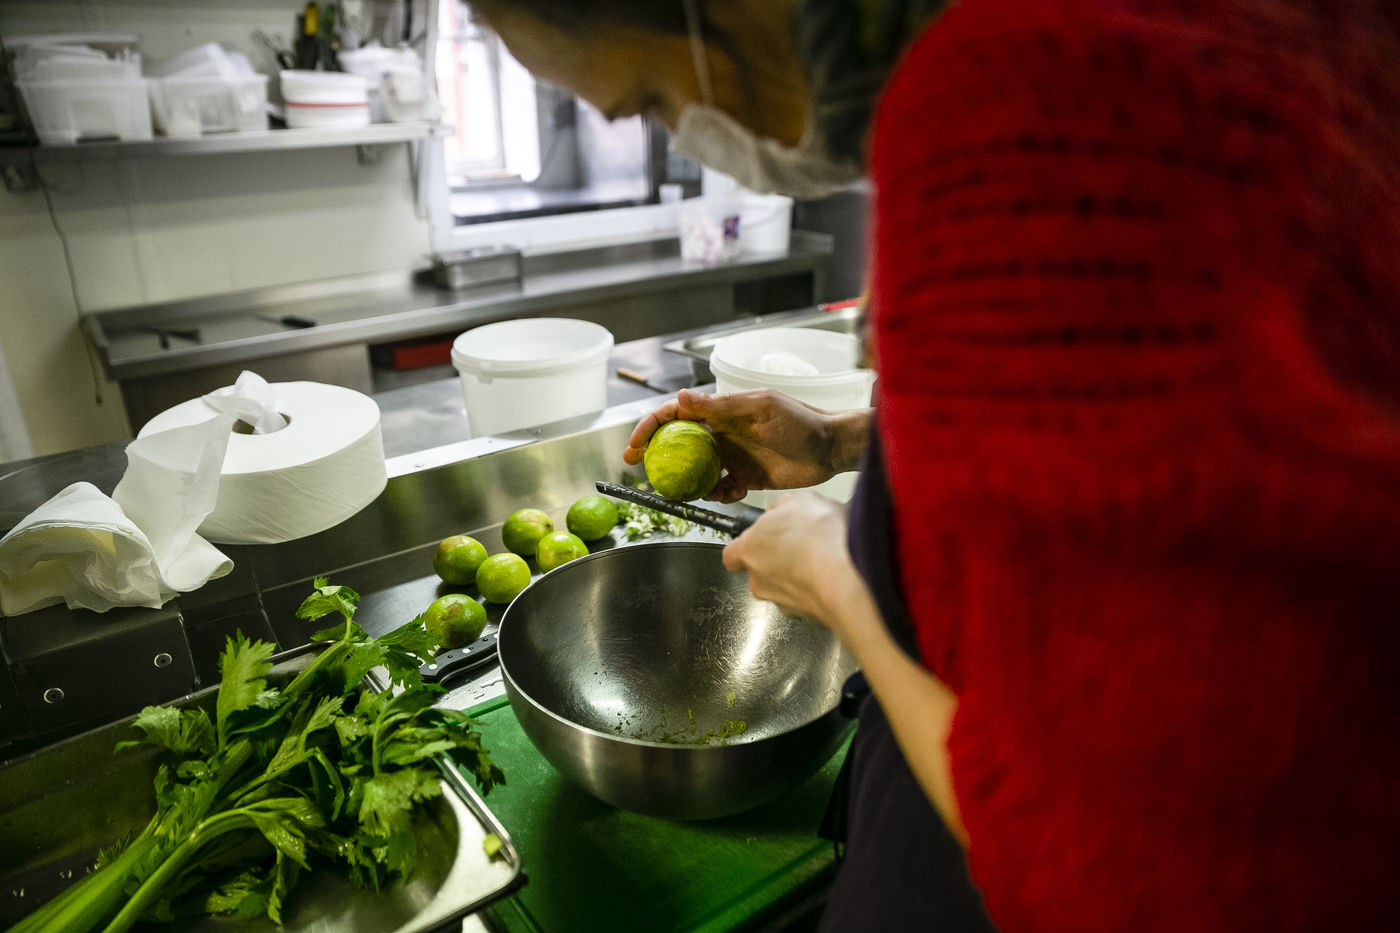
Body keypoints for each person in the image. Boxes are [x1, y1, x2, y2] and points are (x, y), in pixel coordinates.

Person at [470, 0, 1400, 929]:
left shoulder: (1012, 100)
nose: (686, 134)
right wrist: (844, 441)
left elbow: (1102, 865)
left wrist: (837, 582)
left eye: (649, 99)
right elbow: (1140, 436)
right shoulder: (1303, 37)